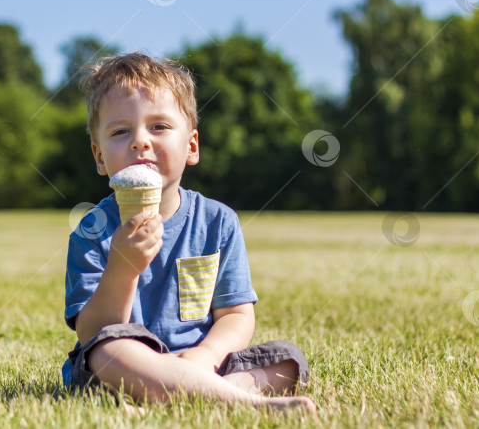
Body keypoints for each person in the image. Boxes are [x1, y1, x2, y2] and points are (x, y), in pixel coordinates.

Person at [62, 52, 316, 414]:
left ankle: (185, 392)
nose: (140, 141)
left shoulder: (218, 222)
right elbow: (93, 332)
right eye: (121, 132)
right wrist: (123, 268)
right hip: (126, 362)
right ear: (99, 156)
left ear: (191, 145)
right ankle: (239, 402)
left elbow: (235, 315)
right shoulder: (93, 230)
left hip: (202, 360)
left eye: (159, 127)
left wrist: (206, 355)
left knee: (288, 359)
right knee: (106, 352)